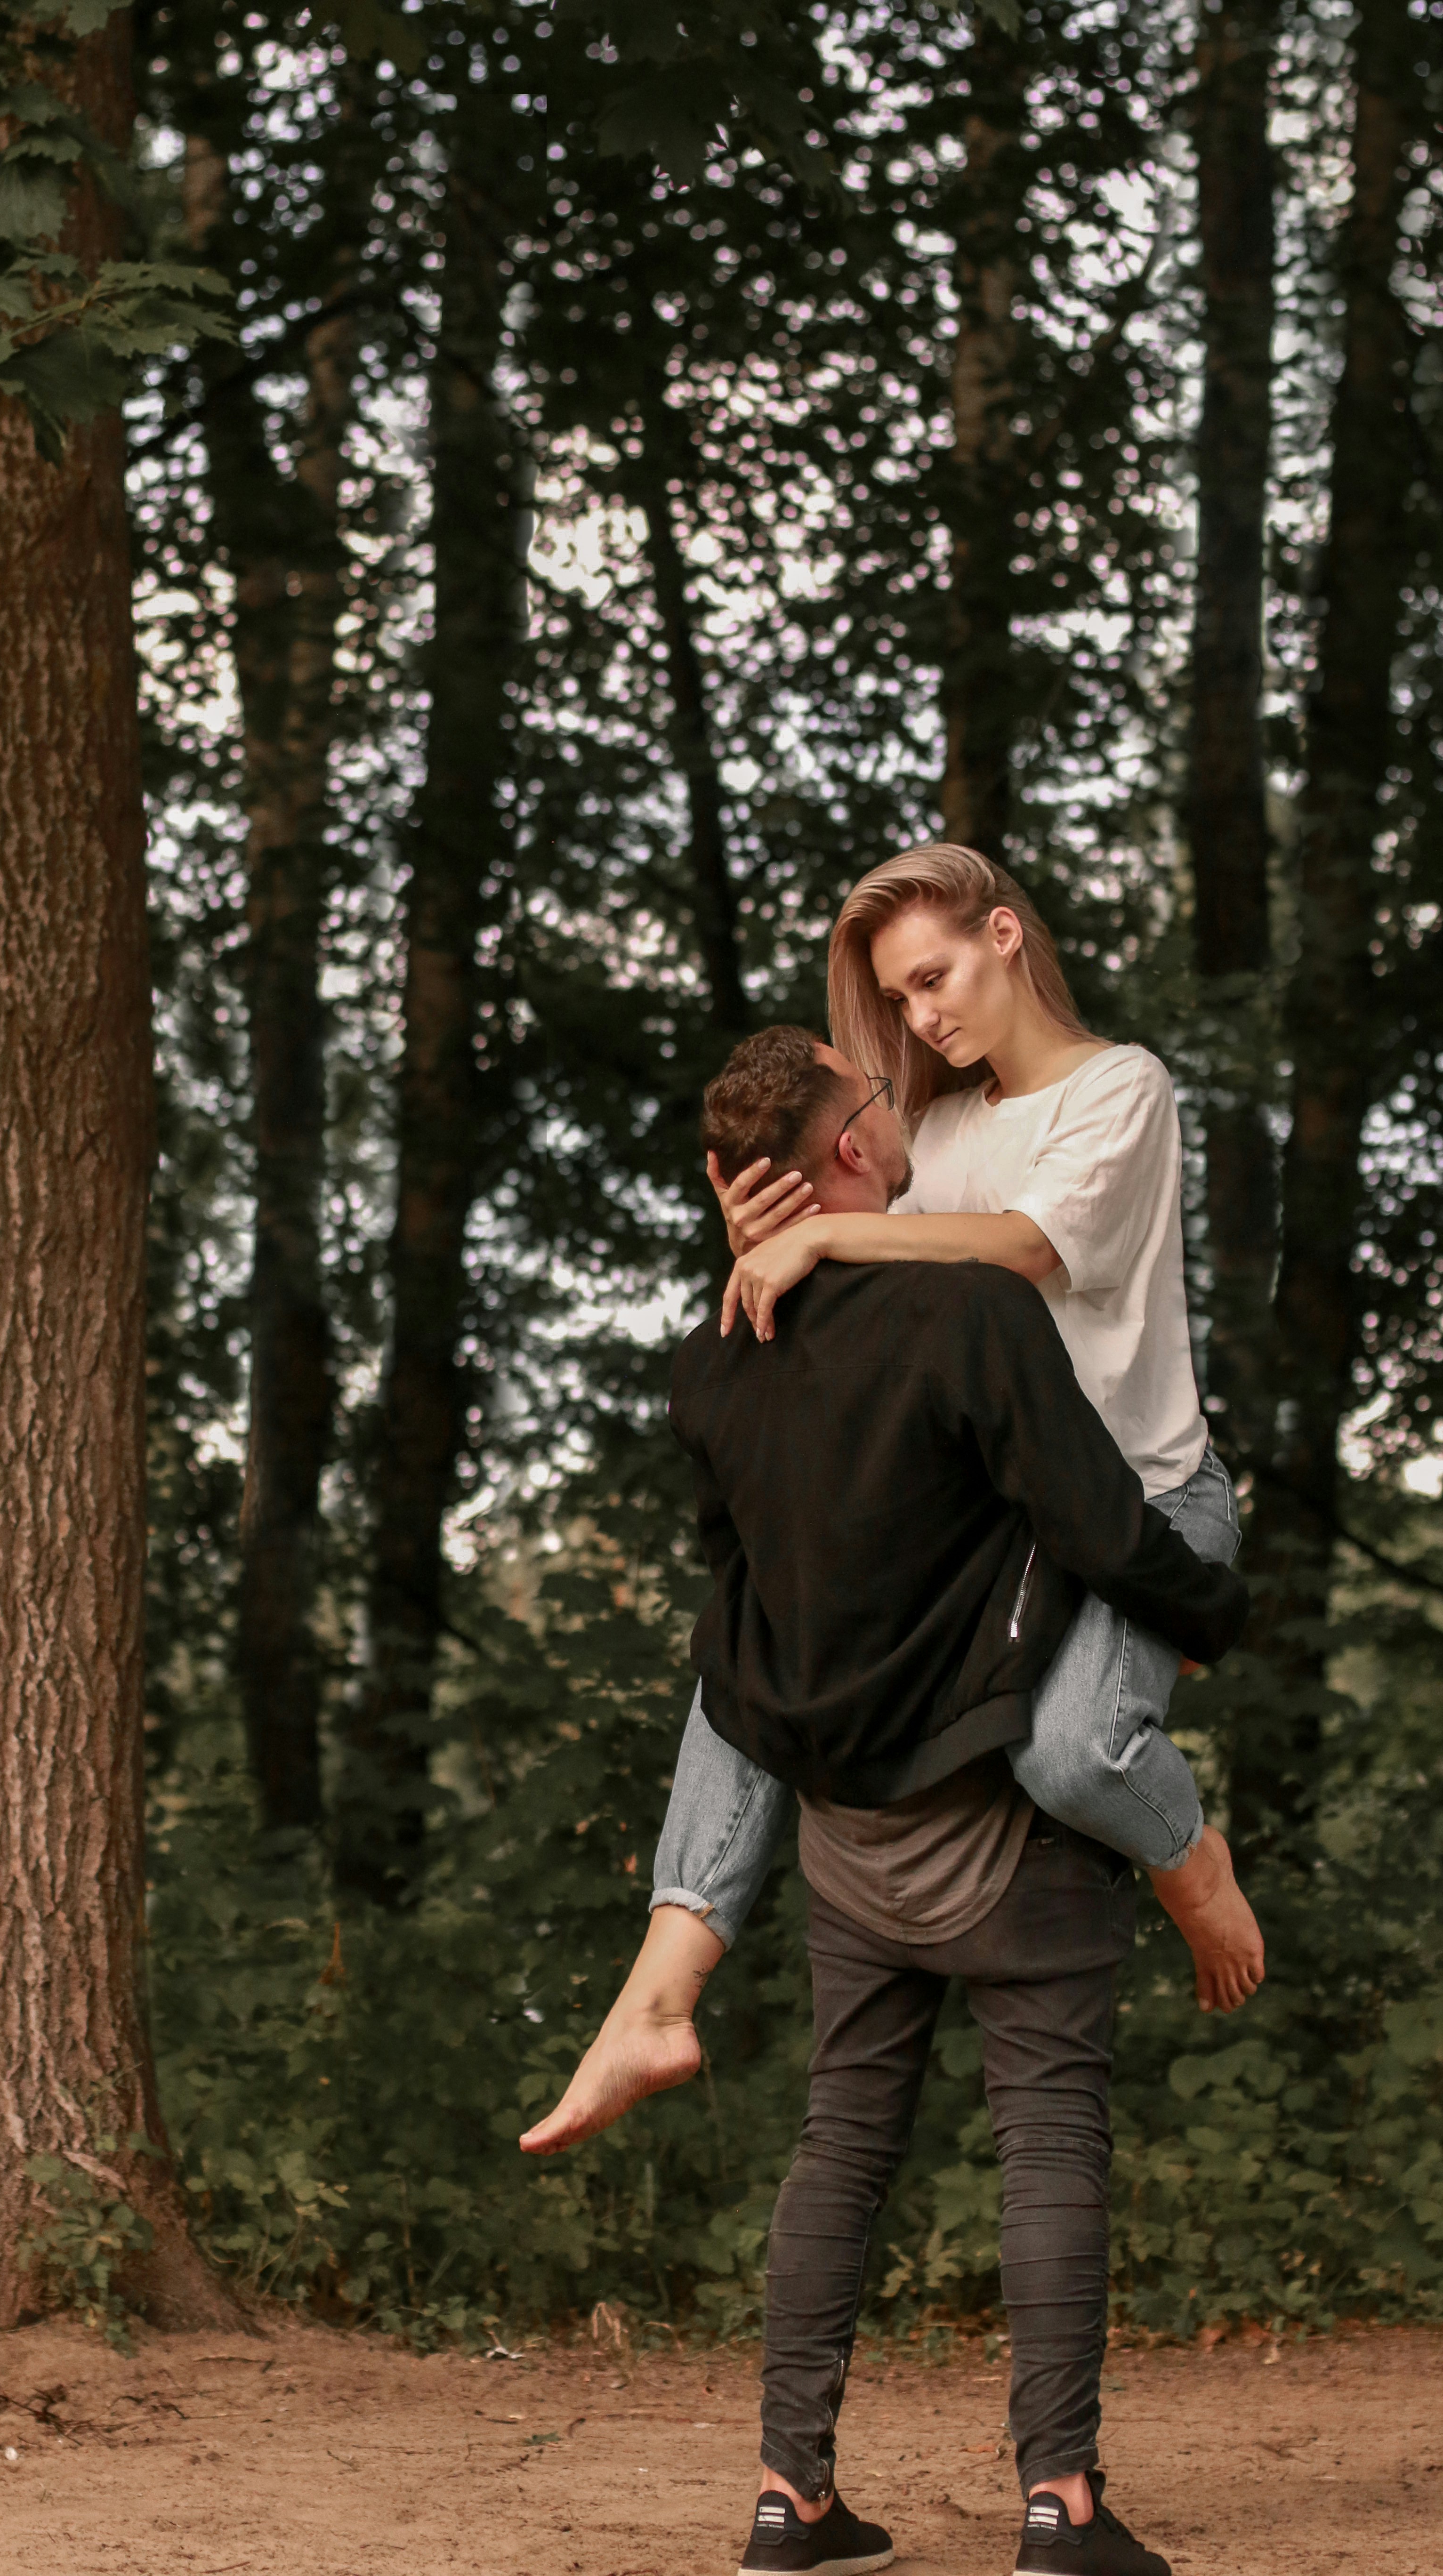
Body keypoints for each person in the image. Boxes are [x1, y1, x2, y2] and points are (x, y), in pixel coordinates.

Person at [526, 1028, 1250, 2576]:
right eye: (874, 1099)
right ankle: (1060, 2509)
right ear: (848, 1150)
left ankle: (792, 2501)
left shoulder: (718, 1359)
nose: (898, 1105)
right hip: (1006, 1825)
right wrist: (1216, 1613)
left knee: (841, 2144)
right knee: (1049, 2136)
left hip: (848, 1841)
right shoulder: (972, 1313)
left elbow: (753, 1605)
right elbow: (1097, 1518)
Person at [524, 843, 1262, 2159]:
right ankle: (657, 1996)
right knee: (753, 1650)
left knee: (1072, 1754)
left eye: (937, 977)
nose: (924, 1016)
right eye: (902, 1000)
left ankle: (1196, 1870)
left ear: (1004, 936)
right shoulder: (938, 1136)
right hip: (1011, 1529)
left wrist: (827, 1235)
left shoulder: (1119, 1090)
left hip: (1144, 1501)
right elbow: (864, 1304)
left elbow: (1028, 1252)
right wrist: (763, 1246)